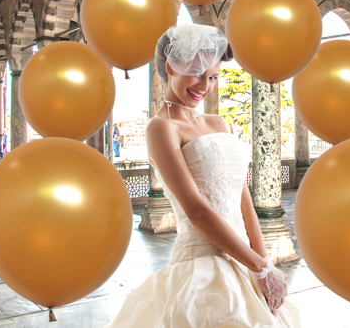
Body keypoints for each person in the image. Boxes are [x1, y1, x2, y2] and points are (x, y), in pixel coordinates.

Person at [107, 24, 299, 327]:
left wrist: (264, 267)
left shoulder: (219, 123)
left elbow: (243, 200)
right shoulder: (161, 128)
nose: (204, 85)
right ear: (171, 67)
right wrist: (260, 266)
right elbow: (196, 211)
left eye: (212, 77)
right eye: (196, 72)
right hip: (200, 265)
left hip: (246, 263)